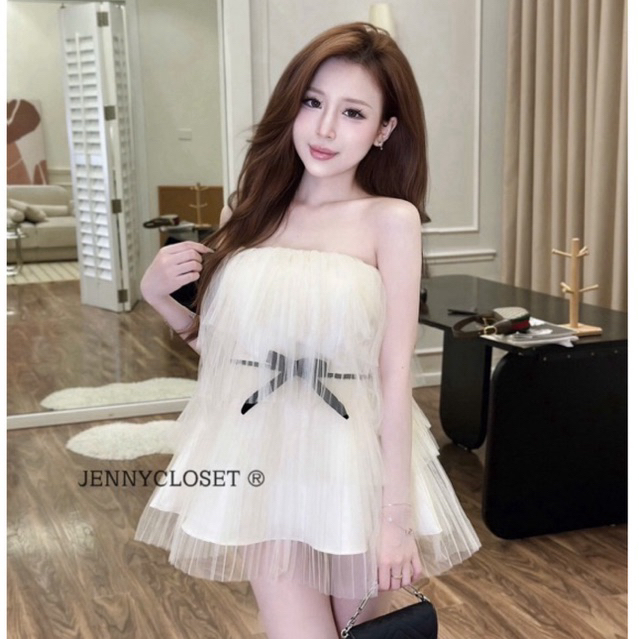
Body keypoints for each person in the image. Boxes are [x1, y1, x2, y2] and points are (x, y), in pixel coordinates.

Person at [134, 22, 480, 639]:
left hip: (353, 465)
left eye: (353, 112)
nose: (324, 129)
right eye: (313, 102)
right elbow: (230, 356)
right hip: (262, 458)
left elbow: (394, 372)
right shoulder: (248, 211)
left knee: (357, 631)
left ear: (383, 130)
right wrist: (160, 298)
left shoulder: (390, 221)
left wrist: (395, 520)